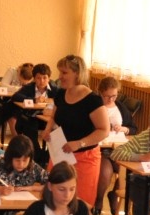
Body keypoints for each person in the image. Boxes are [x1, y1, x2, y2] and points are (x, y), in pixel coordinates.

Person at [40, 55, 109, 206]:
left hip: (85, 158)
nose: (60, 77)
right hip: (60, 153)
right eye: (60, 72)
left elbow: (104, 130)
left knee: (80, 203)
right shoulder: (60, 94)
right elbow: (53, 117)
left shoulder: (92, 100)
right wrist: (47, 129)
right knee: (52, 198)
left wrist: (79, 143)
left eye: (64, 73)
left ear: (77, 73)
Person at [92, 75, 136, 215]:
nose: (111, 99)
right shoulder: (94, 106)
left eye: (114, 96)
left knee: (129, 172)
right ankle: (98, 200)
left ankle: (114, 194)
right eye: (107, 96)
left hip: (119, 148)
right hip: (102, 149)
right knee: (105, 174)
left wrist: (124, 129)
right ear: (100, 93)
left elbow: (133, 128)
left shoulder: (120, 107)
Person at [8, 62, 57, 157]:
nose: (42, 81)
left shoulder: (55, 89)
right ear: (34, 78)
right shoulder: (29, 87)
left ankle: (50, 154)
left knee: (58, 125)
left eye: (45, 78)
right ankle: (36, 153)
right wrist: (34, 100)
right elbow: (15, 96)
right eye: (38, 78)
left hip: (46, 118)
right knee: (30, 124)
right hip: (31, 117)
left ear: (49, 78)